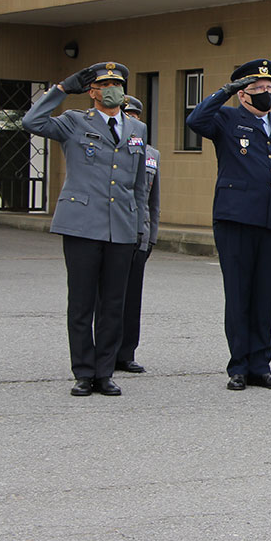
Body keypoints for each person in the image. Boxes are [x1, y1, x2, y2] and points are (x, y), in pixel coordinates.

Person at [22, 62, 148, 396]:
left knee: (112, 305)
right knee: (81, 304)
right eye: (105, 84)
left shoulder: (137, 129)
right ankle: (83, 371)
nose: (112, 89)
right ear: (92, 91)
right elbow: (31, 122)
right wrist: (62, 89)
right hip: (81, 225)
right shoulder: (74, 122)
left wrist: (139, 227)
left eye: (118, 84)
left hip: (121, 227)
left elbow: (138, 186)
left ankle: (105, 372)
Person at [186, 59, 271, 390]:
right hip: (236, 219)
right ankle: (238, 365)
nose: (266, 93)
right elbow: (195, 120)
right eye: (257, 89)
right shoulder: (225, 118)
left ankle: (261, 365)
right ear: (242, 94)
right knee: (239, 294)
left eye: (269, 88)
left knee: (264, 296)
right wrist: (225, 91)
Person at [115, 95, 160, 374]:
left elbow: (153, 199)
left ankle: (127, 352)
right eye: (126, 114)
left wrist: (152, 234)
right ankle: (104, 350)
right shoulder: (113, 149)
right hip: (114, 232)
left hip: (140, 234)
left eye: (135, 115)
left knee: (132, 298)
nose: (132, 120)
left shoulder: (151, 154)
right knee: (108, 297)